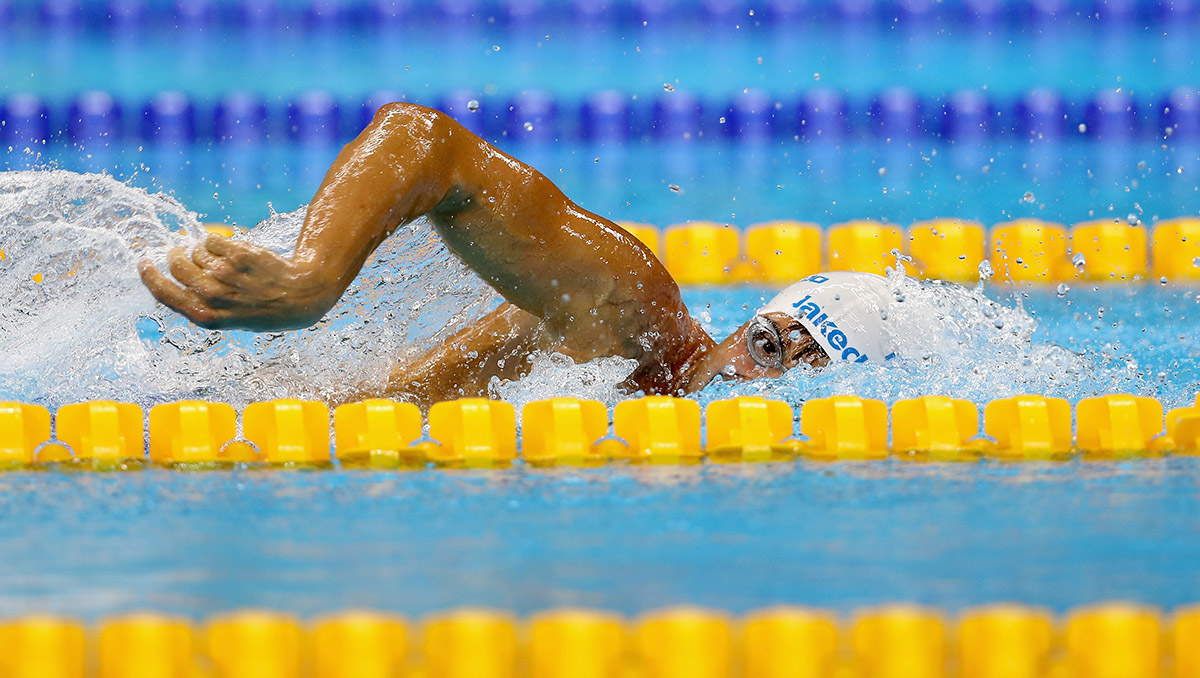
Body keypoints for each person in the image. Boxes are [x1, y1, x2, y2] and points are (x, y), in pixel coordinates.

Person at [140, 102, 894, 406]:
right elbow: (422, 140)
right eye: (764, 342)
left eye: (799, 376)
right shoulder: (640, 318)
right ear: (741, 327)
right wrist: (312, 278)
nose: (752, 378)